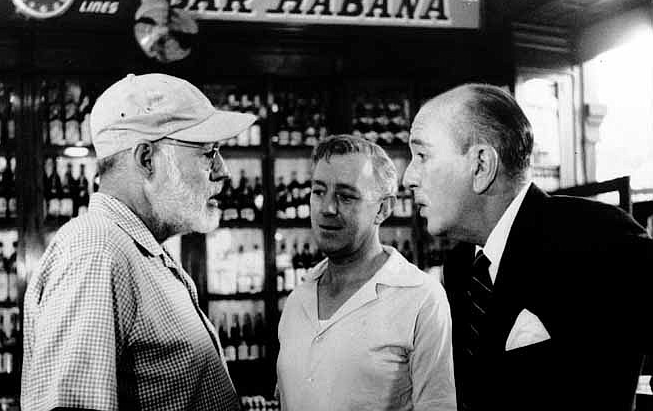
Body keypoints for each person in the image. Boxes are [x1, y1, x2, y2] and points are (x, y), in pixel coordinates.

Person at [403, 83, 653, 411]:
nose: (408, 177)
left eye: (422, 156)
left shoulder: (599, 236)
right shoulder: (463, 263)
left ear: (481, 165)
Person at [22, 73, 256, 411]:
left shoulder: (137, 248)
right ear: (147, 159)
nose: (223, 172)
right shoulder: (96, 250)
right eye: (208, 153)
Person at [276, 134, 456, 411]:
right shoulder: (298, 300)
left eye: (346, 197)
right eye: (318, 191)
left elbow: (438, 405)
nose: (327, 209)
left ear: (383, 209)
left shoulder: (422, 299)